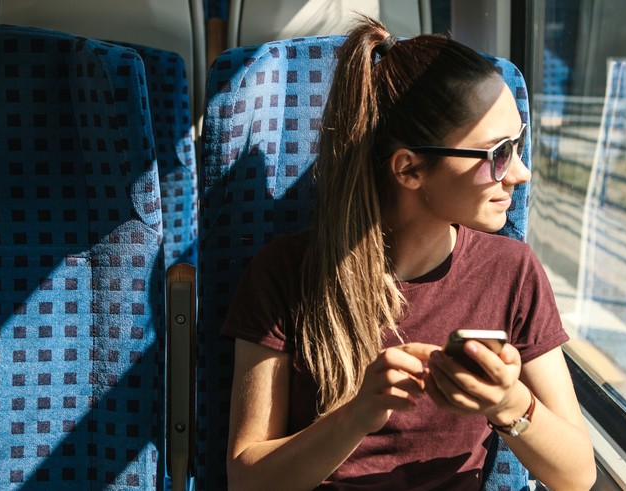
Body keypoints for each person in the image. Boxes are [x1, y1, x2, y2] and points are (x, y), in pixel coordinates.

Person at [221, 17, 596, 491]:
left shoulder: (512, 271)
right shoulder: (286, 274)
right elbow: (247, 478)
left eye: (519, 146)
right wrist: (357, 415)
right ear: (410, 169)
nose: (520, 174)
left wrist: (509, 405)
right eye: (499, 153)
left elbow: (578, 476)